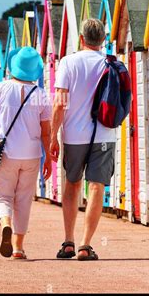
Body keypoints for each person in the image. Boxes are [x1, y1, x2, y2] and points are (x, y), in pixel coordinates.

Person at [50, 18, 116, 261]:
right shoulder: (111, 64)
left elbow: (59, 104)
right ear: (102, 40)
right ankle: (85, 246)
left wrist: (53, 137)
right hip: (104, 135)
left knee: (72, 184)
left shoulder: (68, 62)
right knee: (97, 186)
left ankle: (68, 241)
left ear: (81, 39)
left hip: (74, 136)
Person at [0, 47, 52, 260]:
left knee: (3, 195)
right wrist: (48, 157)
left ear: (14, 67)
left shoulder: (2, 88)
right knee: (24, 199)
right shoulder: (40, 94)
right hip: (31, 155)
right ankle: (18, 248)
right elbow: (46, 131)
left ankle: (6, 224)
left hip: (5, 153)